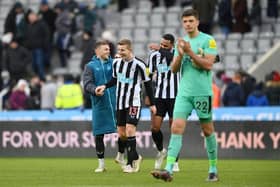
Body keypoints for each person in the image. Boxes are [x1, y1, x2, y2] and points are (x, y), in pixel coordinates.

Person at [151, 9, 219, 182]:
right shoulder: (182, 43)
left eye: (190, 21)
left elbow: (208, 65)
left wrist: (189, 52)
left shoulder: (208, 41)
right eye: (185, 21)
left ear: (197, 22)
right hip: (183, 93)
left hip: (202, 92)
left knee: (207, 130)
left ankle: (213, 169)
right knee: (176, 128)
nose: (187, 24)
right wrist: (180, 55)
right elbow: (173, 69)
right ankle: (169, 169)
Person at [97, 39, 156, 173]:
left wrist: (152, 104)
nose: (120, 53)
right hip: (120, 103)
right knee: (122, 134)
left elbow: (148, 85)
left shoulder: (140, 65)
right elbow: (114, 80)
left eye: (122, 50)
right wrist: (104, 86)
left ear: (130, 50)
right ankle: (136, 156)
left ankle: (130, 164)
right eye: (118, 50)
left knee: (130, 130)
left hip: (134, 102)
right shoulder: (117, 63)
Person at [147, 34, 181, 171]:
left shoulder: (178, 54)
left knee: (175, 130)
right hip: (159, 96)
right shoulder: (154, 56)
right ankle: (161, 151)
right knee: (155, 128)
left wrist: (160, 50)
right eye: (161, 45)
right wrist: (148, 96)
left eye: (165, 46)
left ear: (172, 45)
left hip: (175, 97)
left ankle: (175, 160)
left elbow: (172, 59)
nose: (162, 47)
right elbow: (148, 77)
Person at [83, 40, 116, 172]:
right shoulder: (90, 66)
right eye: (105, 49)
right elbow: (87, 83)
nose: (108, 51)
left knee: (122, 132)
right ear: (97, 51)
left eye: (108, 49)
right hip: (99, 103)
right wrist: (94, 89)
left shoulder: (115, 63)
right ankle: (101, 164)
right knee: (99, 135)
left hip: (115, 102)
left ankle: (126, 161)